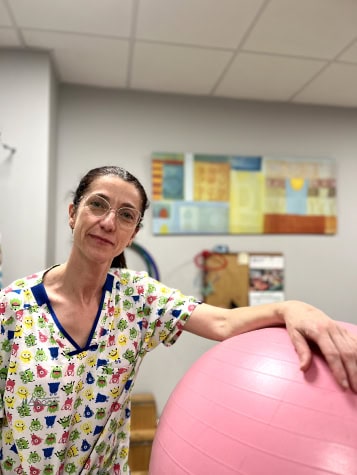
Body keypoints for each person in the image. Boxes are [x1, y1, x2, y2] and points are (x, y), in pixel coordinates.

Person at [0, 165, 356, 475]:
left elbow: (222, 323)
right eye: (98, 204)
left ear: (133, 234)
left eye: (126, 215)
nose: (108, 222)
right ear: (73, 213)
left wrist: (290, 308)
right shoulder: (13, 306)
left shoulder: (137, 297)